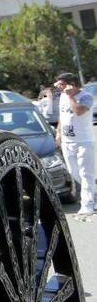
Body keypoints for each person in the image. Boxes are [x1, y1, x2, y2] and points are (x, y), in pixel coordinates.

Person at [55, 72, 96, 213]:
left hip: (84, 141)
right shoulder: (62, 97)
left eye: (61, 84)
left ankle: (87, 205)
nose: (58, 87)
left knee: (86, 174)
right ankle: (94, 194)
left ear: (71, 84)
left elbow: (79, 111)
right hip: (68, 141)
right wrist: (58, 132)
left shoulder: (86, 97)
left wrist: (71, 96)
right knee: (74, 173)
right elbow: (62, 115)